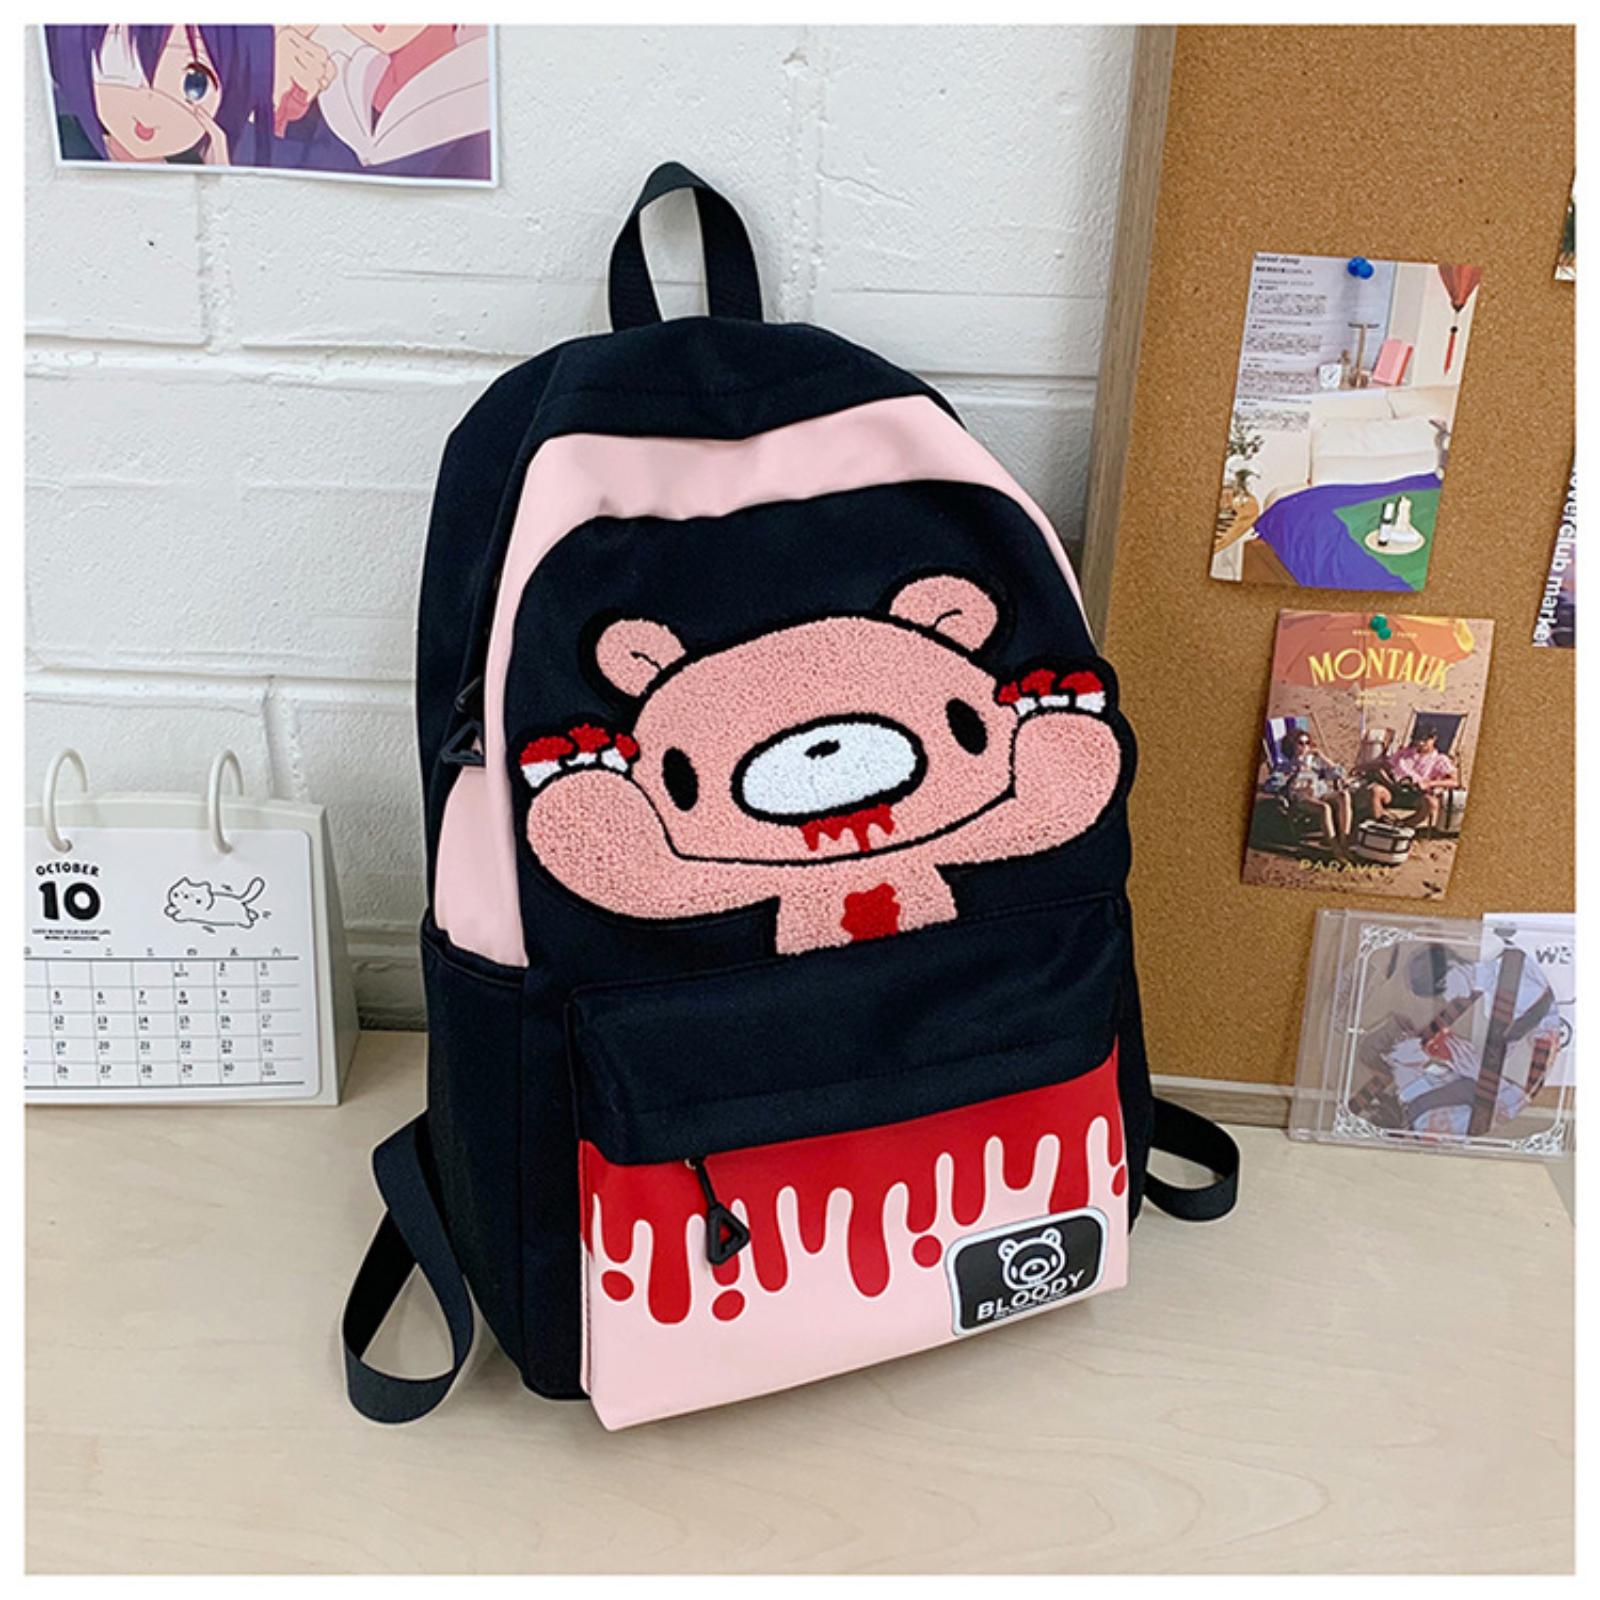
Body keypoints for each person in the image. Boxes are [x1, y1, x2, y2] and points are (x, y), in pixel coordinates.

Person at [45, 24, 276, 167]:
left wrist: (220, 178)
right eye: (117, 61)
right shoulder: (63, 142)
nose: (150, 107)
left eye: (194, 84)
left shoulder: (193, 167)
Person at [1260, 726, 1351, 848]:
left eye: (1307, 743)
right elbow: (1270, 786)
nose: (1305, 747)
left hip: (1321, 794)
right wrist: (1294, 772)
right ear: (1292, 746)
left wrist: (1323, 757)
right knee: (1324, 808)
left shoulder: (1315, 763)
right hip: (1302, 798)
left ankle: (1344, 840)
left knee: (1343, 795)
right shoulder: (1286, 766)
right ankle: (1337, 849)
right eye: (1301, 743)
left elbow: (1341, 774)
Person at [1363, 728, 1458, 831]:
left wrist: (1429, 783)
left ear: (1434, 739)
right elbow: (1386, 765)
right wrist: (1363, 768)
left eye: (1425, 740)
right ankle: (1381, 822)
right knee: (1375, 791)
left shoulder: (1440, 759)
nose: (1421, 744)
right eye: (1418, 740)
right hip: (1395, 790)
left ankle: (1403, 825)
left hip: (1417, 795)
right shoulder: (1404, 753)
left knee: (1431, 803)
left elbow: (1454, 782)